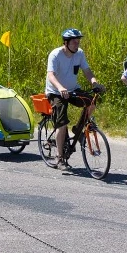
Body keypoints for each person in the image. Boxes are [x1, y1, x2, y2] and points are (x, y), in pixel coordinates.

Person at [45, 28, 104, 170]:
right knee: (62, 123)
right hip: (56, 91)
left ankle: (79, 129)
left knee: (91, 102)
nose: (77, 45)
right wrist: (60, 88)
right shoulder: (55, 54)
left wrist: (94, 83)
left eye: (78, 42)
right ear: (66, 43)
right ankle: (59, 158)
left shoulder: (79, 53)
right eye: (74, 42)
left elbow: (87, 71)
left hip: (72, 89)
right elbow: (51, 75)